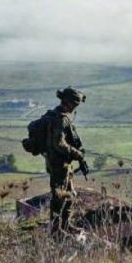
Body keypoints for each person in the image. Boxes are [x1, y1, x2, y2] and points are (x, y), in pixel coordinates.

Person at [43, 87, 88, 237]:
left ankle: (65, 224)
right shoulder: (60, 119)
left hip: (62, 164)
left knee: (69, 195)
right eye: (75, 105)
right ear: (68, 103)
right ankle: (56, 230)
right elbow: (59, 144)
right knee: (59, 198)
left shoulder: (57, 116)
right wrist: (78, 155)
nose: (75, 108)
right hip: (58, 165)